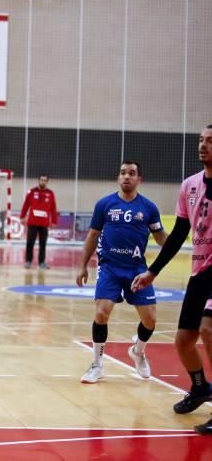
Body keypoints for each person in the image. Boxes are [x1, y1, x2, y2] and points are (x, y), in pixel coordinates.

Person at [131, 125, 212, 434]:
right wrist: (153, 271)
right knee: (183, 340)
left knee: (208, 330)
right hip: (200, 271)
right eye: (200, 141)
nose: (203, 146)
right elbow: (179, 234)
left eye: (210, 141)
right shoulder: (190, 185)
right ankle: (201, 388)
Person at [75, 161, 167, 384]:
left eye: (132, 173)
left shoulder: (148, 208)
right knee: (102, 312)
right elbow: (92, 236)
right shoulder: (105, 204)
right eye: (123, 173)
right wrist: (82, 266)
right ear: (118, 178)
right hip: (110, 267)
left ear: (139, 179)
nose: (127, 176)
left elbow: (160, 236)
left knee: (150, 320)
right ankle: (97, 365)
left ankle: (138, 351)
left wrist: (180, 250)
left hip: (137, 269)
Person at [20, 174, 58, 269]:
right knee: (30, 242)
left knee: (43, 243)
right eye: (41, 180)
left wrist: (54, 221)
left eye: (45, 180)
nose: (43, 182)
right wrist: (22, 217)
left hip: (44, 224)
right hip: (32, 223)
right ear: (38, 181)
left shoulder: (50, 193)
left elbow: (53, 209)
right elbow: (26, 205)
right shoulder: (31, 192)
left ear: (47, 182)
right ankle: (28, 261)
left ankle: (42, 262)